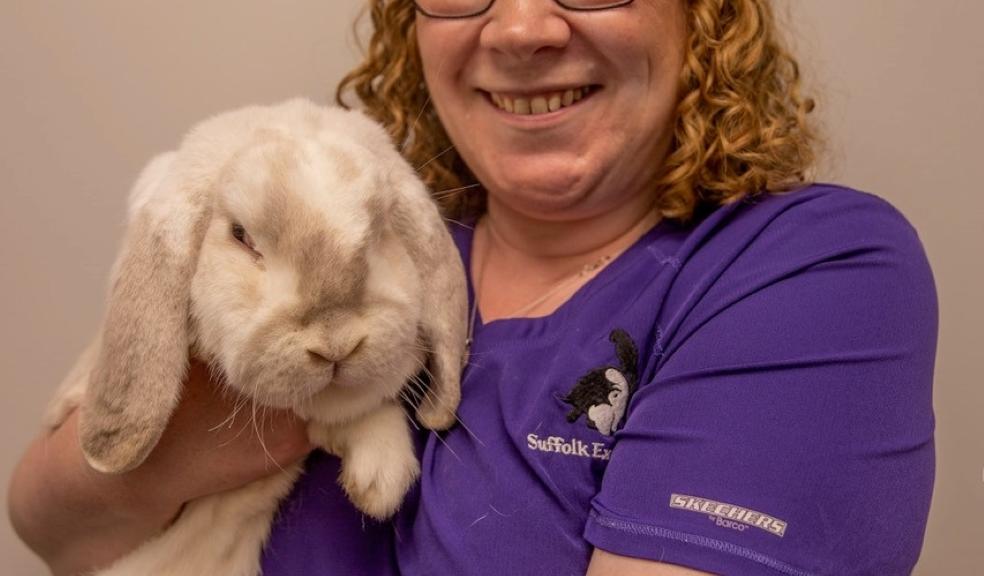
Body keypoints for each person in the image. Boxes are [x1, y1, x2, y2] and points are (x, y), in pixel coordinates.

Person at [8, 0, 937, 575]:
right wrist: (270, 371)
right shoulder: (374, 236)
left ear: (705, 12)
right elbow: (59, 531)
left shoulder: (808, 269)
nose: (523, 27)